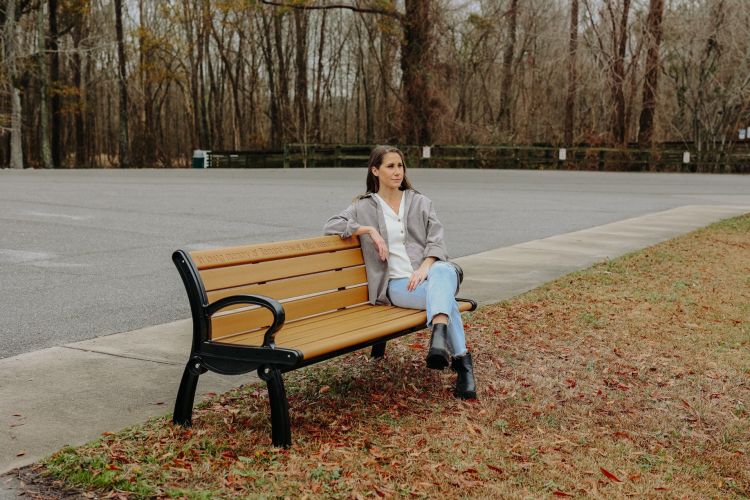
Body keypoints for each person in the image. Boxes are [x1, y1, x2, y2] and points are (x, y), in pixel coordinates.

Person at [324, 145, 476, 399]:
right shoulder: (363, 207)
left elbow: (437, 241)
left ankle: (441, 338)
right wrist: (368, 231)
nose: (397, 172)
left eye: (400, 166)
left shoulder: (420, 201)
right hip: (396, 286)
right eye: (390, 166)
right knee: (446, 296)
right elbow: (331, 225)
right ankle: (461, 364)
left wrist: (425, 266)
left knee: (442, 269)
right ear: (375, 171)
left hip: (428, 277)